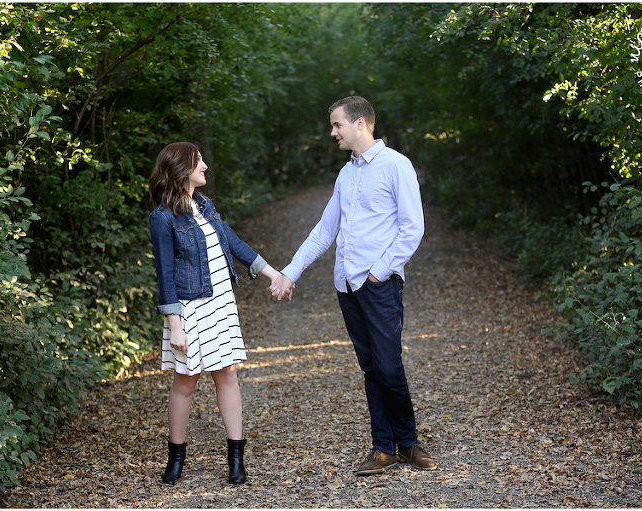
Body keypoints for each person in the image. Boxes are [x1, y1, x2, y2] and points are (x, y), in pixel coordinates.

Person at [271, 96, 436, 475]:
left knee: (390, 367)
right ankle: (383, 448)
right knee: (371, 369)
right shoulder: (346, 174)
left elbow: (413, 227)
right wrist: (289, 271)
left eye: (337, 125)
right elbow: (325, 230)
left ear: (360, 124)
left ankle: (408, 443)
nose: (332, 132)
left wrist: (380, 271)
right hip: (346, 285)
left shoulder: (396, 165)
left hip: (378, 285)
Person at [148, 142, 284, 485]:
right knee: (185, 383)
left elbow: (235, 244)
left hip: (221, 304)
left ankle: (236, 459)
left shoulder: (205, 206)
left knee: (228, 376)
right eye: (199, 161)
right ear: (182, 169)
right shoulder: (162, 218)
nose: (205, 165)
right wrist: (174, 326)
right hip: (190, 310)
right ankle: (175, 458)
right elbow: (164, 276)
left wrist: (275, 274)